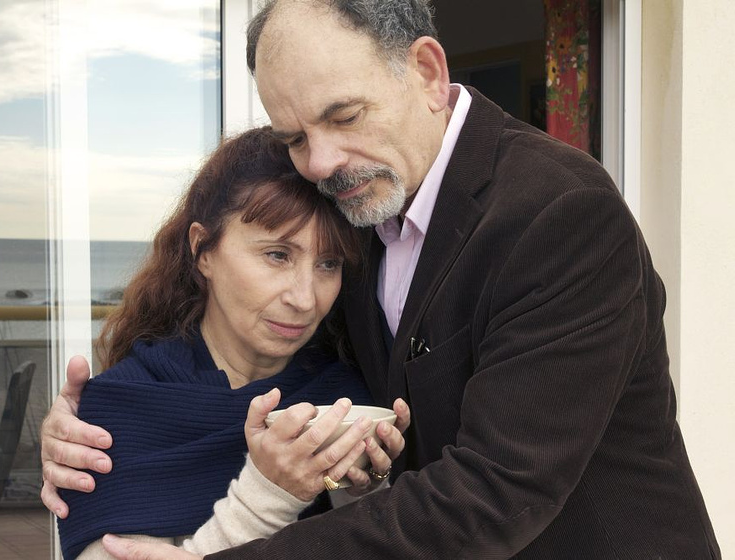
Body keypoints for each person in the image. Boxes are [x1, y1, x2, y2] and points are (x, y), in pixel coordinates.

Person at [43, 1, 722, 558]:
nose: (321, 162)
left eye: (343, 117)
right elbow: (250, 358)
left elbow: (492, 495)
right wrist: (104, 425)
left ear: (426, 71)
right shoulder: (361, 209)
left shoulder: (560, 214)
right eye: (294, 138)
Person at [53, 126, 409, 559]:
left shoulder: (347, 400)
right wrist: (269, 494)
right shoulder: (120, 409)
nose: (304, 298)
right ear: (203, 250)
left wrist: (362, 487)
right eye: (277, 255)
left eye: (328, 264)